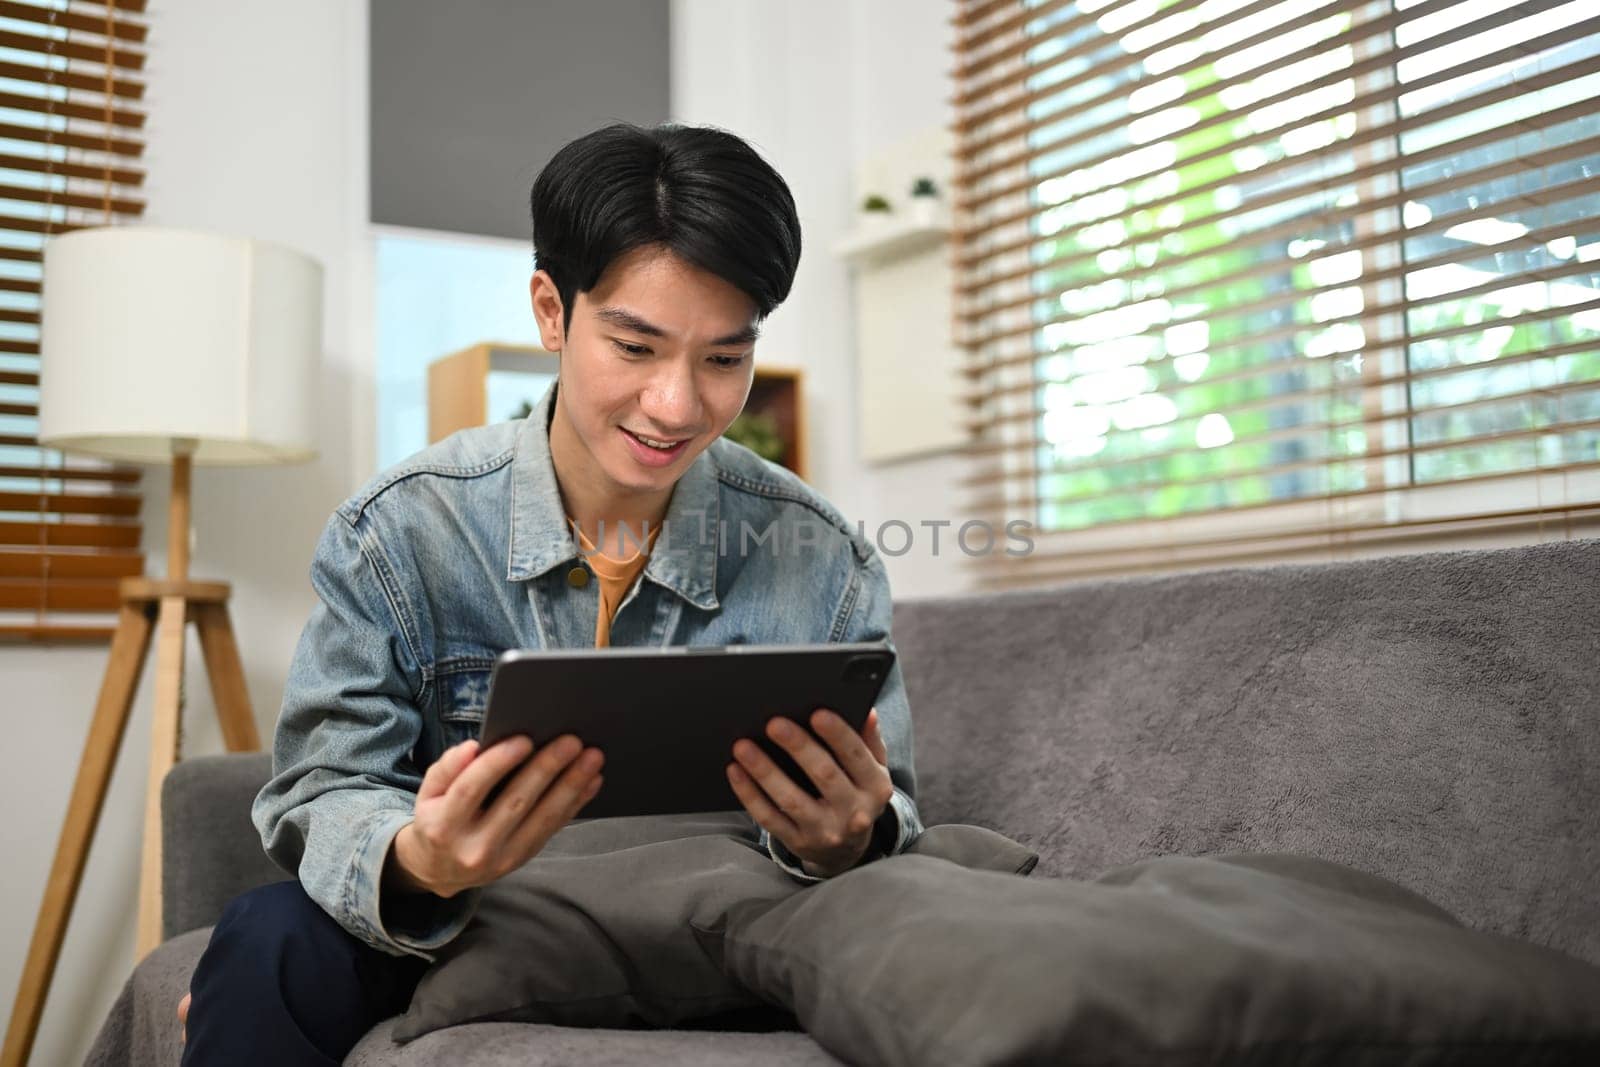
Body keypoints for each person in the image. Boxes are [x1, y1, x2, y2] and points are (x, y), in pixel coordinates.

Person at [177, 122, 925, 1066]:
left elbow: (889, 811)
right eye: (636, 346)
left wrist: (844, 840)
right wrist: (422, 858)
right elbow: (322, 786)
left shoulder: (826, 558)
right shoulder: (399, 531)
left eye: (724, 359)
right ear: (551, 310)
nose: (677, 405)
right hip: (475, 919)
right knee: (268, 941)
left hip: (721, 930)